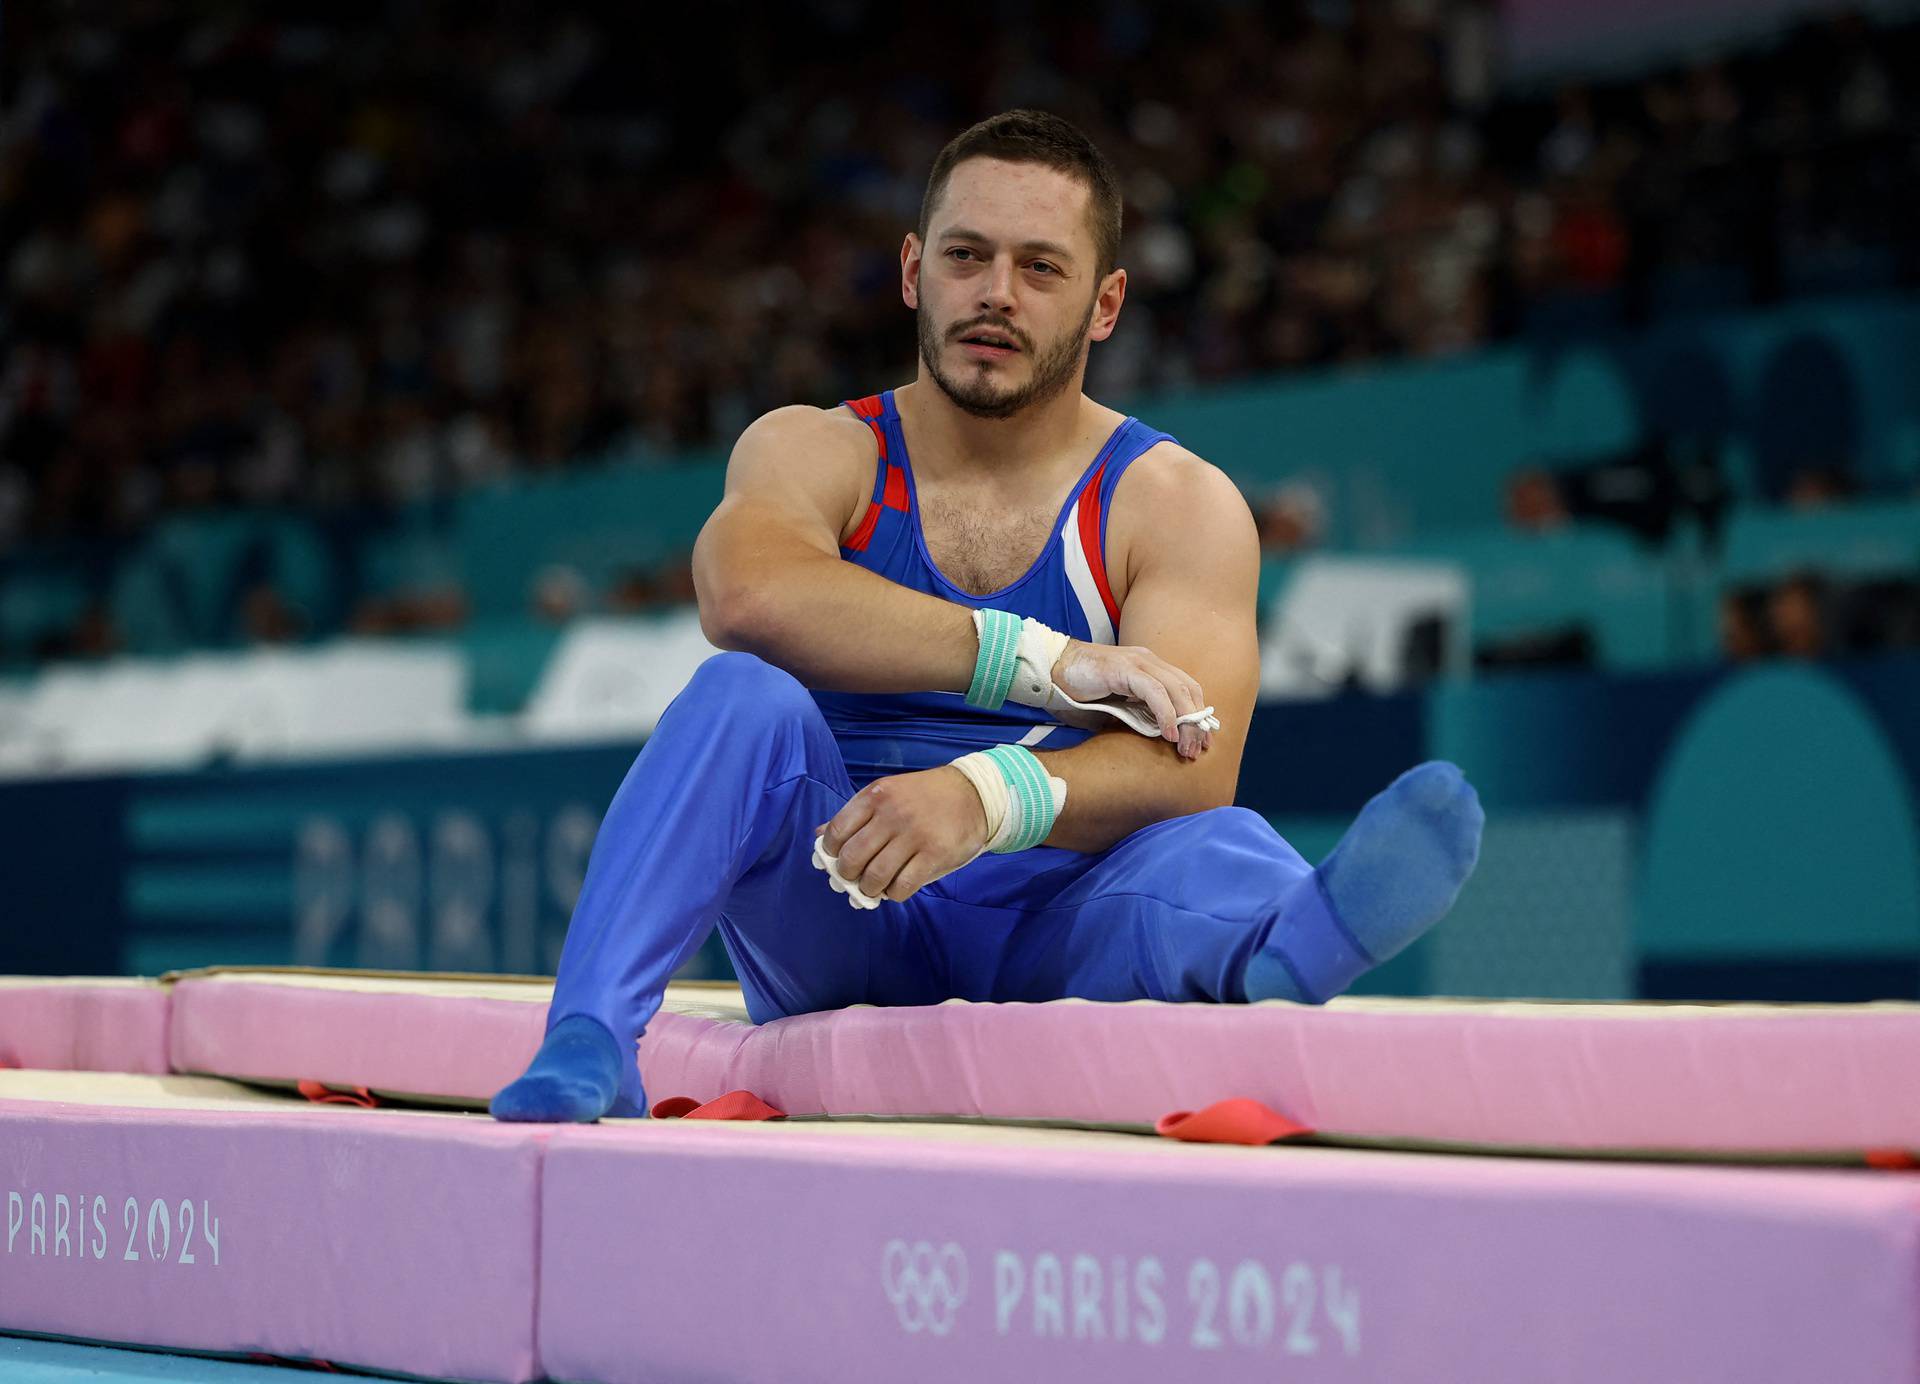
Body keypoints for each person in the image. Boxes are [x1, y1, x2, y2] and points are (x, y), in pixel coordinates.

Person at [491, 111, 1484, 1123]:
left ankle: (1286, 943)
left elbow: (1197, 758)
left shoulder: (1174, 503)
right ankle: (595, 1035)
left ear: (1106, 306)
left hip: (1060, 908)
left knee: (1203, 844)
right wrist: (1039, 662)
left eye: (1041, 268)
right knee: (739, 701)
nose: (996, 294)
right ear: (916, 271)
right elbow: (743, 595)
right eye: (968, 256)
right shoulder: (820, 451)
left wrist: (983, 794)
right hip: (845, 896)